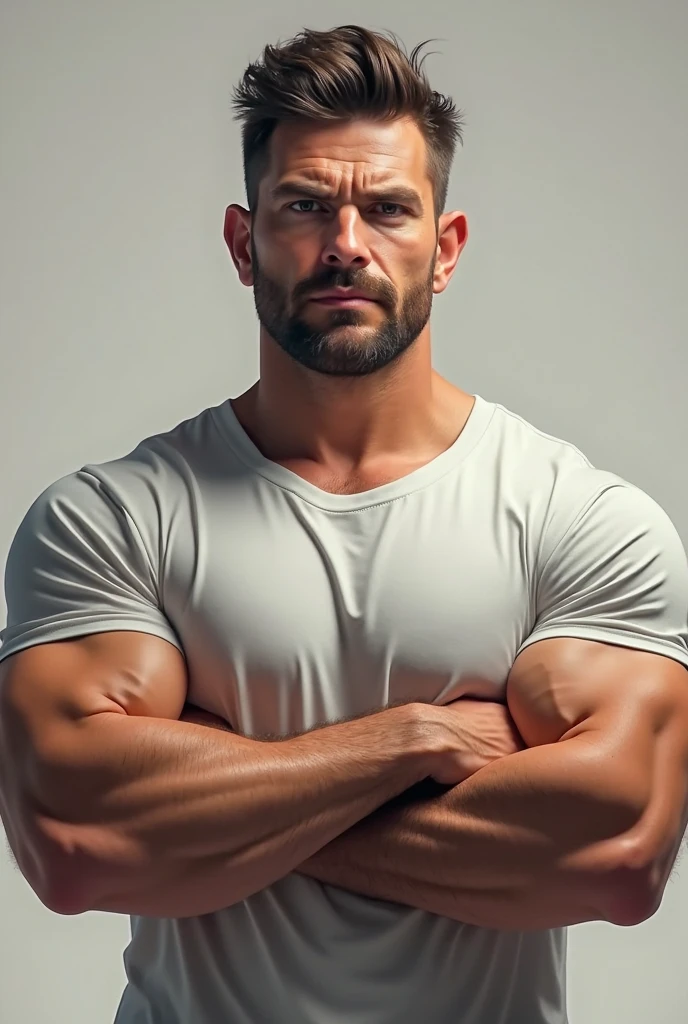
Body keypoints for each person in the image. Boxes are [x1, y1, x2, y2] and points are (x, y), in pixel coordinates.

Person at [1, 24, 687, 1024]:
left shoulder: (577, 518)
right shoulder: (111, 519)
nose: (345, 245)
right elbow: (69, 843)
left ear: (443, 249)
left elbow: (618, 858)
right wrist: (413, 739)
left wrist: (220, 789)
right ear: (245, 244)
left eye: (388, 208)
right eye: (305, 206)